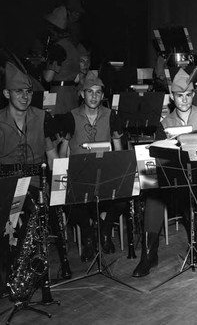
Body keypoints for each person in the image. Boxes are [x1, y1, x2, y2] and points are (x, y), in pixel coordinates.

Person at [0, 62, 70, 297]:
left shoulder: (42, 118)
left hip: (36, 180)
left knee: (33, 210)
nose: (25, 97)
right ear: (7, 93)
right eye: (19, 91)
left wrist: (59, 190)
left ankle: (24, 273)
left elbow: (53, 157)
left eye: (28, 92)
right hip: (5, 182)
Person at [132, 68, 197, 277]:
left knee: (192, 198)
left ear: (193, 95)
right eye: (180, 96)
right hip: (174, 176)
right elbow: (156, 156)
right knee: (152, 194)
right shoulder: (164, 124)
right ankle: (148, 254)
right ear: (172, 97)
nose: (184, 100)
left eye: (188, 95)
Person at [59, 71, 127, 260]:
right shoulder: (70, 117)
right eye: (90, 92)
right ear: (82, 94)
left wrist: (119, 173)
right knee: (68, 200)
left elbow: (119, 150)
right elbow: (63, 151)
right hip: (79, 175)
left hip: (104, 174)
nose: (94, 96)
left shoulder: (111, 115)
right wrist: (63, 175)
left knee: (124, 198)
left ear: (103, 95)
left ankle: (104, 230)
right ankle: (88, 234)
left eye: (98, 92)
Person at [42, 6, 88, 115]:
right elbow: (77, 78)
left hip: (57, 96)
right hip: (71, 95)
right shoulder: (72, 47)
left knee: (53, 127)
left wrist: (41, 67)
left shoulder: (57, 48)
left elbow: (48, 78)